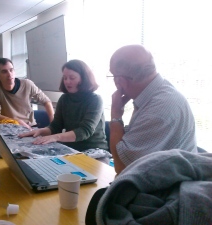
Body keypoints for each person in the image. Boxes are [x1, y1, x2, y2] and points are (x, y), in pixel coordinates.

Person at [109, 44, 197, 174]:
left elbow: (122, 168)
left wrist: (116, 116)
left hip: (163, 191)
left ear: (121, 81)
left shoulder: (158, 109)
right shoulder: (157, 93)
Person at [19, 59, 109, 155]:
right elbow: (55, 126)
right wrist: (39, 131)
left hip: (96, 150)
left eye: (72, 78)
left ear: (83, 78)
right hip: (71, 149)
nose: (67, 82)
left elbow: (84, 131)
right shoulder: (64, 99)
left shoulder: (95, 100)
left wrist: (55, 137)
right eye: (65, 78)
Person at [0, 58, 54, 129]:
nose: (9, 74)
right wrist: (16, 122)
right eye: (4, 72)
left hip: (29, 127)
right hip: (8, 127)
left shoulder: (27, 84)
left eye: (11, 70)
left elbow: (47, 102)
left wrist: (53, 125)